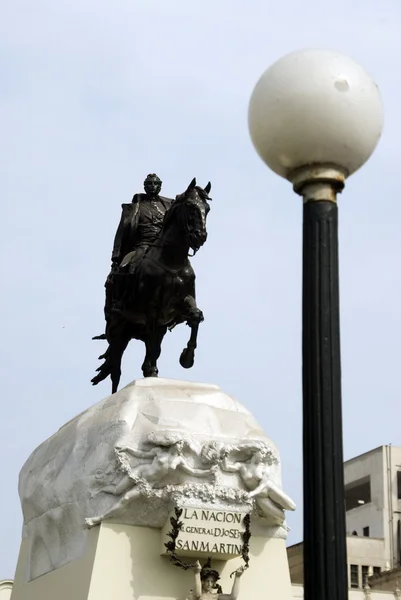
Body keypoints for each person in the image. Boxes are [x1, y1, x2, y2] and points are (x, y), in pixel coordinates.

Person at [85, 434, 215, 527]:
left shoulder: (179, 460)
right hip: (140, 471)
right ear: (173, 443)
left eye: (182, 444)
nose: (180, 446)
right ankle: (99, 490)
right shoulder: (159, 451)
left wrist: (208, 472)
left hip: (148, 484)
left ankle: (99, 518)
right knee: (116, 490)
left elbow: (192, 471)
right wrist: (128, 449)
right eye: (179, 443)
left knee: (126, 498)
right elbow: (142, 454)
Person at [104, 173, 172, 322]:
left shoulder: (168, 206)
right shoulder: (135, 207)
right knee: (126, 266)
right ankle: (119, 302)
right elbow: (121, 232)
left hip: (163, 247)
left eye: (155, 184)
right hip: (142, 245)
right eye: (149, 184)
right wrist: (115, 256)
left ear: (160, 186)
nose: (152, 187)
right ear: (145, 187)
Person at [221, 445, 296, 524]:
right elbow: (226, 468)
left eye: (264, 454)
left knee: (292, 507)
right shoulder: (242, 466)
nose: (263, 456)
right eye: (262, 452)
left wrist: (251, 494)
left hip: (269, 489)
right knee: (281, 517)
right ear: (255, 453)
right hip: (260, 497)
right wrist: (224, 455)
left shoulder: (264, 468)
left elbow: (263, 485)